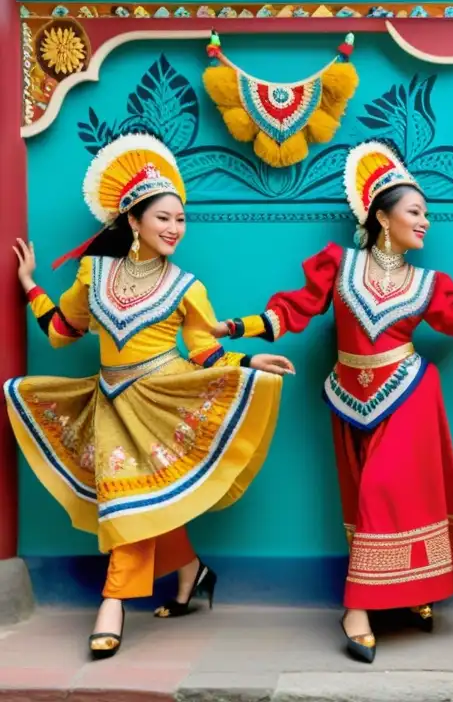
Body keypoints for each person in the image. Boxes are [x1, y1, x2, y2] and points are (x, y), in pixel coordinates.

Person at [219, 140, 453, 663]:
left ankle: (357, 610)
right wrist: (236, 328)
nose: (425, 222)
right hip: (348, 397)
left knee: (384, 491)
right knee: (365, 501)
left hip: (409, 394)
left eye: (427, 214)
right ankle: (408, 590)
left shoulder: (429, 282)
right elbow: (293, 311)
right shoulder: (337, 266)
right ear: (381, 216)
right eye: (416, 212)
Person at [4, 134, 293, 660]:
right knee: (134, 497)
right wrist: (28, 284)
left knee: (132, 499)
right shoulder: (93, 273)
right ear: (133, 221)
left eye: (181, 220)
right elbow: (63, 331)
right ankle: (190, 571)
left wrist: (249, 361)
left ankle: (112, 603)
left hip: (164, 398)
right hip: (110, 402)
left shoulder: (188, 286)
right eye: (164, 218)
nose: (175, 229)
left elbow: (204, 352)